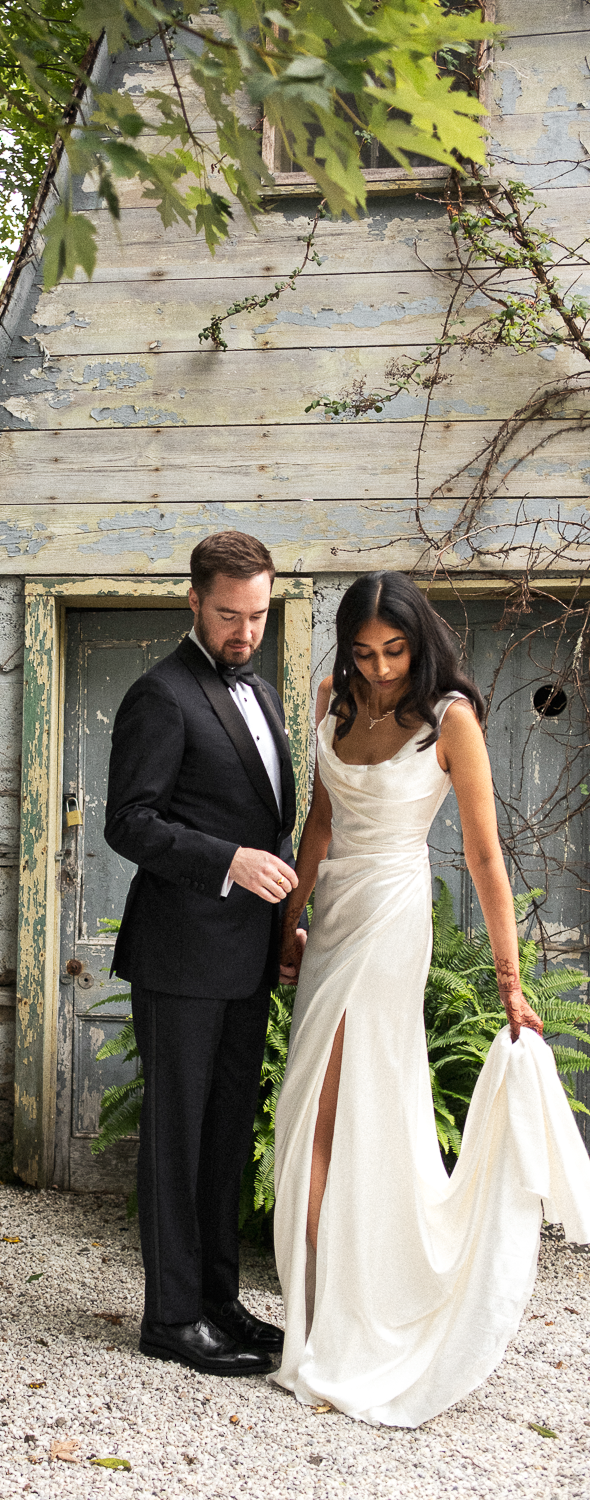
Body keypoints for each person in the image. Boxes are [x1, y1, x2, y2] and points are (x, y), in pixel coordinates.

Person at [273, 571, 590, 1427]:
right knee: (311, 1104)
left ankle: (346, 1321)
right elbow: (320, 823)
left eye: (394, 651)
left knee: (336, 1100)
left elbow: (485, 856)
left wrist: (511, 982)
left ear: (420, 641)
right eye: (364, 653)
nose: (378, 670)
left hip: (393, 915)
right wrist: (285, 926)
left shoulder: (452, 716)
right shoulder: (328, 696)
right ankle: (317, 1311)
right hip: (336, 908)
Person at [104, 530, 304, 1376]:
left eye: (258, 614)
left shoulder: (259, 691)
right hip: (181, 958)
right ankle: (172, 1318)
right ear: (193, 600)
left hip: (246, 958)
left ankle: (220, 1303)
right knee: (178, 1141)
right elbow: (131, 822)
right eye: (230, 614)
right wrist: (227, 861)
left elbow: (269, 818)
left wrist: (286, 918)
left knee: (225, 1137)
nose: (245, 631)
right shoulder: (161, 695)